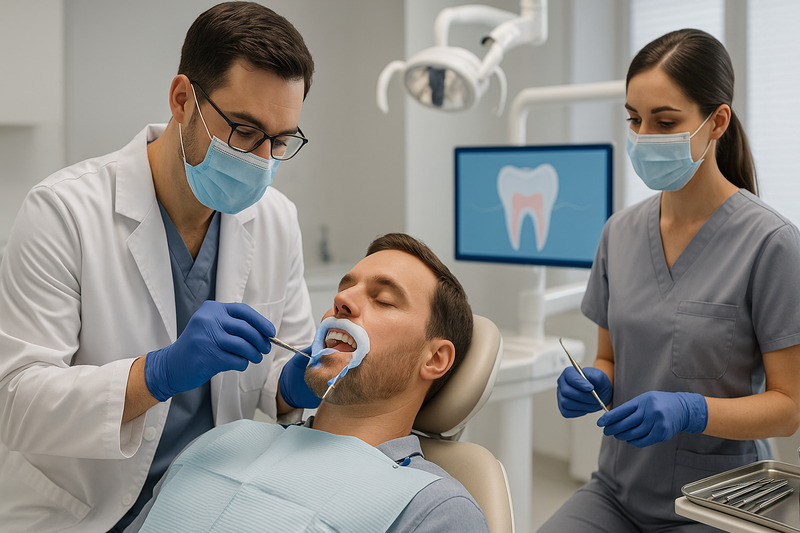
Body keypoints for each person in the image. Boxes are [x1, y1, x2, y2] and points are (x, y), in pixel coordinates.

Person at [0, 3, 324, 531]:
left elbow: (269, 380)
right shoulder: (63, 211)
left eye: (281, 140)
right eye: (244, 130)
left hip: (206, 503)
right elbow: (15, 403)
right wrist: (156, 373)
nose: (261, 160)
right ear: (182, 100)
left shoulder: (276, 220)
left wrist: (297, 383)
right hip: (78, 510)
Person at [540, 29, 800, 532]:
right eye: (635, 120)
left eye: (664, 122)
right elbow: (610, 357)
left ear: (716, 121)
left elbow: (788, 408)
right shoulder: (619, 233)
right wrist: (595, 383)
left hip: (719, 498)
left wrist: (691, 410)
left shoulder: (772, 244)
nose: (643, 137)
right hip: (617, 490)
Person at [121, 233, 489, 533]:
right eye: (345, 290)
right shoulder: (222, 441)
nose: (342, 300)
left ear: (435, 359)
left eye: (383, 300)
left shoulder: (434, 507)